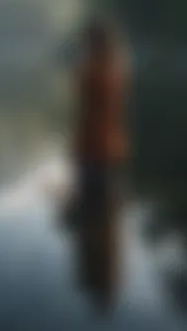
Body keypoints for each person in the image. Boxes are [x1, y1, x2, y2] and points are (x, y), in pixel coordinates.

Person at [65, 17, 131, 226]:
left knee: (93, 209)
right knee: (105, 206)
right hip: (111, 147)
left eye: (86, 42)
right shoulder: (116, 68)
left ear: (93, 43)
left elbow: (81, 90)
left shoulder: (93, 71)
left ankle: (96, 243)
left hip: (94, 148)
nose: (83, 46)